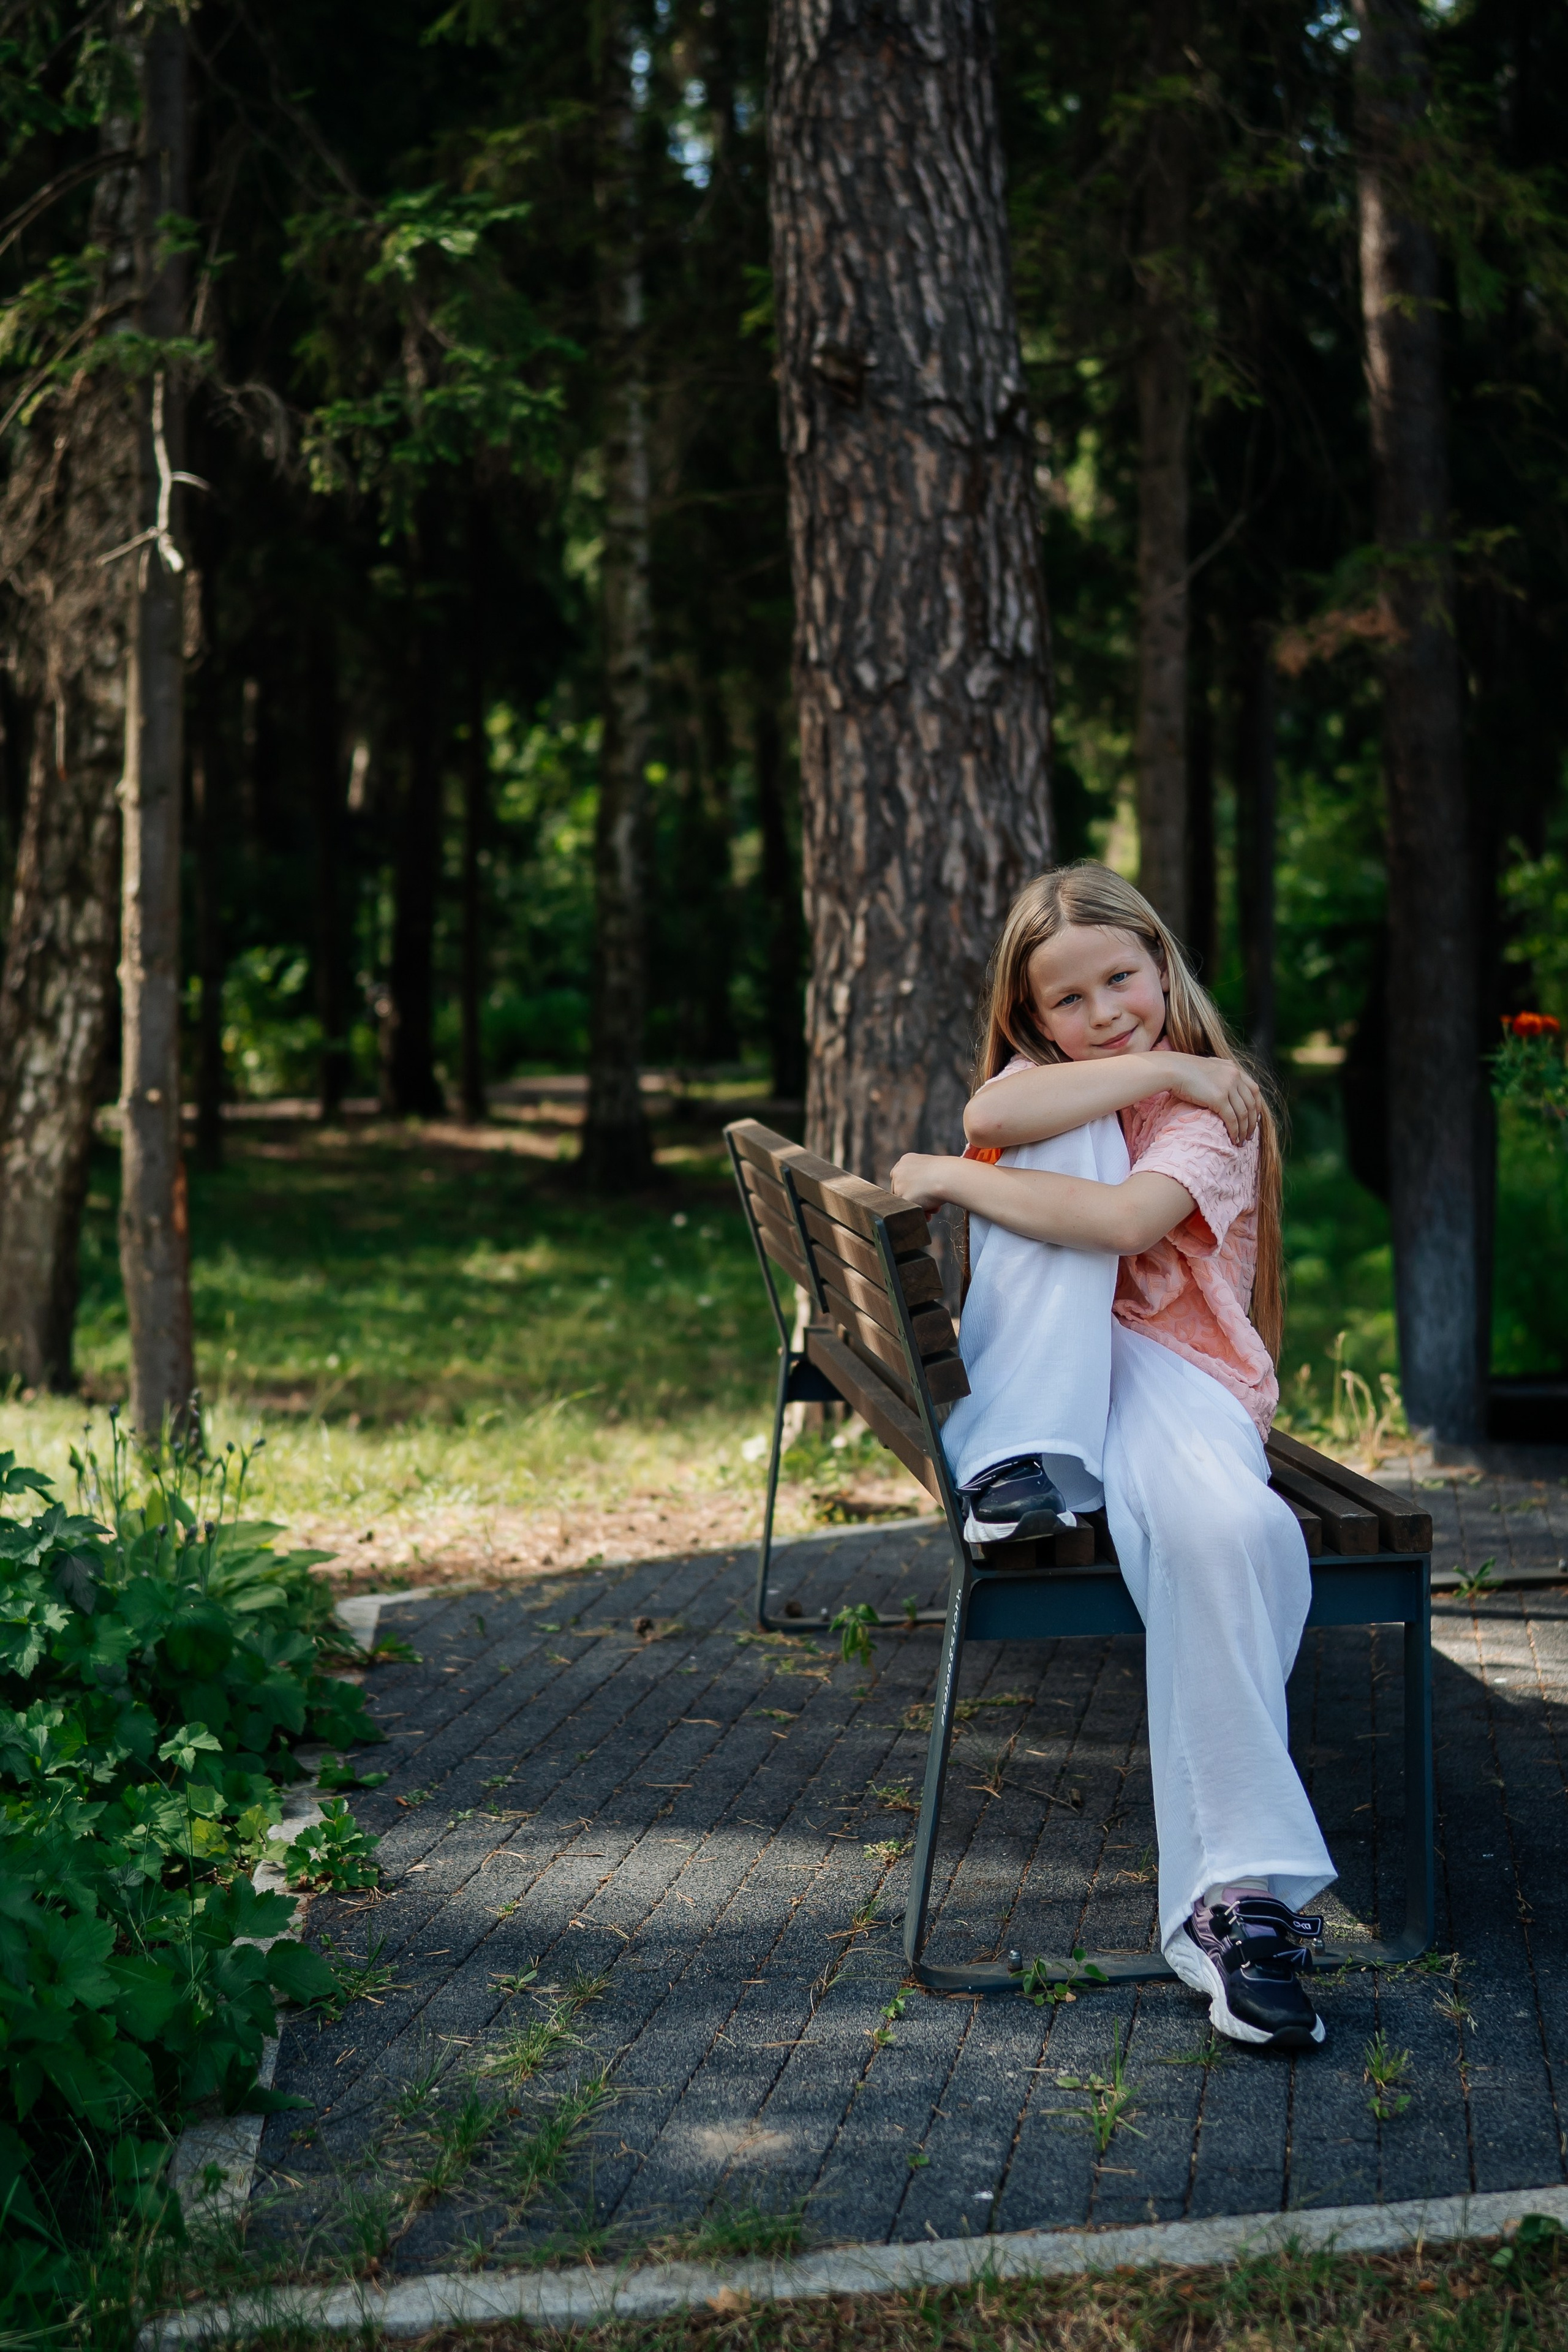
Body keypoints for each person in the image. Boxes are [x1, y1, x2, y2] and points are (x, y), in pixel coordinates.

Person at [890, 862, 1335, 2054]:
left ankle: (1233, 1903)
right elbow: (992, 1119)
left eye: (1120, 981)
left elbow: (1126, 1226)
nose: (1102, 1013)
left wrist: (941, 1178)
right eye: (1067, 1003)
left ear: (1159, 962)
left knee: (1231, 1533)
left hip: (1178, 1384)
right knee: (1060, 1123)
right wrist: (1142, 1063)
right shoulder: (1079, 1086)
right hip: (1063, 1381)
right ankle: (1018, 1462)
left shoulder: (1211, 1110)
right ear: (1031, 1018)